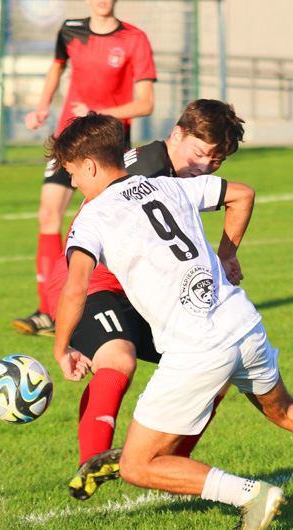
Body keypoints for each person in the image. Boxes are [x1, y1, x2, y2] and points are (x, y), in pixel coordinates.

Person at [51, 113, 293, 530]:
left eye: (70, 173)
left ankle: (251, 494)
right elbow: (242, 194)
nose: (72, 183)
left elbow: (74, 291)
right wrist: (226, 255)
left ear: (89, 166)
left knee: (137, 466)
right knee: (287, 411)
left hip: (197, 346)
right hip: (243, 324)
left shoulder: (91, 217)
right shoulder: (171, 185)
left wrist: (61, 347)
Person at [43, 100, 246, 501]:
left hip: (144, 292)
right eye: (199, 153)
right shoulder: (147, 172)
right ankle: (92, 466)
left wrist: (223, 257)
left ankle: (167, 470)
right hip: (92, 283)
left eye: (215, 160)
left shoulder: (168, 170)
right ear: (175, 134)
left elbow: (236, 199)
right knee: (119, 359)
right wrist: (61, 345)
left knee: (217, 370)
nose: (205, 165)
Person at [11, 0, 156, 337]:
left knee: (108, 225)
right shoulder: (70, 30)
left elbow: (146, 102)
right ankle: (47, 311)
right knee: (49, 214)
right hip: (69, 139)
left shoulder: (135, 39)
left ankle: (126, 300)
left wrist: (100, 110)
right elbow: (56, 67)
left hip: (108, 147)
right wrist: (41, 108)